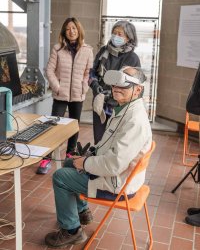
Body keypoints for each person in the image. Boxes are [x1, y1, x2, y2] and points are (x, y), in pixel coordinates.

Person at [44, 66, 152, 248]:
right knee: (70, 162)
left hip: (117, 184)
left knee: (60, 177)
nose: (116, 88)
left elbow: (113, 165)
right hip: (118, 176)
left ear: (138, 89)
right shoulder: (124, 109)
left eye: (123, 85)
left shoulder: (135, 120)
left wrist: (85, 163)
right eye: (115, 84)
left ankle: (72, 231)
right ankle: (82, 211)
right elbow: (108, 145)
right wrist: (89, 155)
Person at [36, 17, 93, 174]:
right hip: (60, 94)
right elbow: (49, 70)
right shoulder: (58, 49)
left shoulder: (87, 50)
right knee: (54, 126)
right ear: (64, 32)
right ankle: (47, 158)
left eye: (74, 28)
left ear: (78, 30)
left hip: (77, 94)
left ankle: (70, 154)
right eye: (68, 29)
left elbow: (89, 72)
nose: (71, 31)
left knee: (74, 126)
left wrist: (84, 87)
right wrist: (57, 87)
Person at [89, 20, 141, 145]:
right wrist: (95, 85)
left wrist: (108, 94)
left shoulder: (133, 58)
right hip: (99, 103)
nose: (115, 36)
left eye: (120, 34)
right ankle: (96, 162)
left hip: (118, 106)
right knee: (99, 139)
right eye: (114, 33)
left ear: (129, 38)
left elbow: (133, 85)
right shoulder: (103, 51)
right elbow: (91, 72)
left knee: (114, 141)